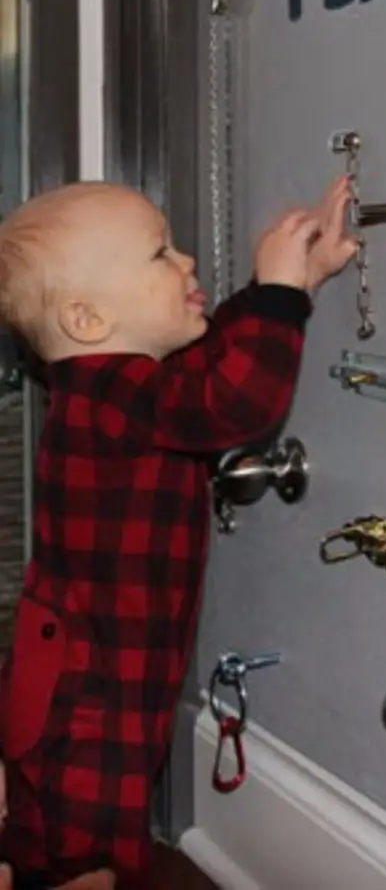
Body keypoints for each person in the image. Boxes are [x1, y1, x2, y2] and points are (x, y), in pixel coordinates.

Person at [0, 176, 356, 888]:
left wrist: (284, 286)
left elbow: (205, 361)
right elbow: (232, 400)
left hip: (80, 654)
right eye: (160, 253)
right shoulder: (118, 392)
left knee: (58, 822)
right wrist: (281, 295)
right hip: (91, 678)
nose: (187, 261)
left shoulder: (109, 383)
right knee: (88, 847)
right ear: (88, 319)